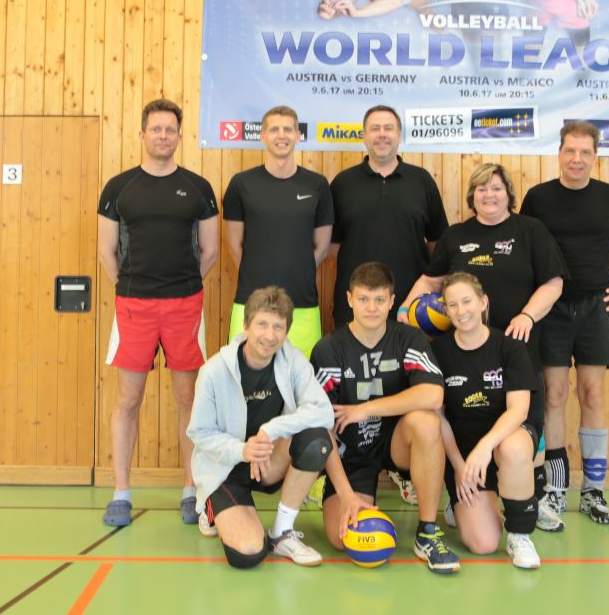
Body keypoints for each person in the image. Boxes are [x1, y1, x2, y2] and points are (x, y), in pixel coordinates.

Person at [399, 163, 567, 531]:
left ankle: (532, 500)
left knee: (526, 432)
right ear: (472, 196)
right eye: (481, 189)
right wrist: (404, 310)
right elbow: (431, 280)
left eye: (495, 188)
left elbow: (553, 283)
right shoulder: (456, 236)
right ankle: (461, 497)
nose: (488, 194)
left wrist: (527, 315)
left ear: (508, 194)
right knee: (466, 424)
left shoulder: (530, 230)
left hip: (517, 348)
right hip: (465, 353)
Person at [520, 121, 609, 525]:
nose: (576, 159)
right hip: (553, 308)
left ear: (595, 157)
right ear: (559, 153)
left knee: (592, 396)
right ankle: (556, 489)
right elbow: (523, 247)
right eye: (570, 151)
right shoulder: (538, 197)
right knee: (555, 396)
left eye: (585, 153)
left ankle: (594, 492)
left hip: (597, 308)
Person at [97, 98, 220, 528]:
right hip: (134, 306)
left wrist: (180, 286)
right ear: (142, 134)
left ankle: (191, 489)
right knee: (128, 400)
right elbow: (106, 253)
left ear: (179, 137)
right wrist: (134, 286)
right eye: (156, 129)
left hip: (185, 306)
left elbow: (210, 252)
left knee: (188, 399)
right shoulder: (119, 188)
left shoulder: (198, 188)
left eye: (170, 130)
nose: (163, 136)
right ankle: (121, 492)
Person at [311, 262, 461, 574]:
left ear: (392, 301)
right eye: (364, 299)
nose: (371, 307)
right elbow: (322, 428)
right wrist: (347, 495)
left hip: (397, 443)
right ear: (349, 299)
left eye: (379, 299)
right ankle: (345, 492)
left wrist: (366, 408)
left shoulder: (408, 339)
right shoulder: (329, 349)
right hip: (353, 454)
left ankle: (427, 532)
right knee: (342, 539)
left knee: (427, 421)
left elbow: (433, 395)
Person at [188, 287, 334, 569]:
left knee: (317, 438)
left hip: (268, 461)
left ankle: (282, 532)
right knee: (248, 554)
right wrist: (243, 450)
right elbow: (199, 433)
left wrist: (271, 429)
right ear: (246, 326)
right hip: (227, 468)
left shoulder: (293, 361)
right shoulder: (214, 371)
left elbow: (323, 411)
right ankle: (212, 508)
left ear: (286, 331)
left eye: (278, 327)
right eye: (262, 324)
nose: (270, 335)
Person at [434, 273, 542, 568]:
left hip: (504, 439)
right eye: (452, 305)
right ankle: (467, 503)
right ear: (446, 310)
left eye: (467, 301)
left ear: (483, 302)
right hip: (465, 456)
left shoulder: (510, 347)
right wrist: (459, 467)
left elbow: (518, 410)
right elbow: (438, 417)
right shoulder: (438, 351)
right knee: (483, 544)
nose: (461, 310)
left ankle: (520, 534)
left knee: (513, 448)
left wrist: (486, 447)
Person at [223, 105, 333, 357]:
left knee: (302, 378)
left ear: (298, 136)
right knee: (244, 376)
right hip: (251, 303)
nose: (281, 135)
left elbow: (322, 247)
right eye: (274, 130)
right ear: (262, 136)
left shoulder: (317, 185)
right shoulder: (241, 184)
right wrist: (258, 276)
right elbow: (234, 246)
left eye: (287, 129)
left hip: (302, 305)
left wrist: (296, 270)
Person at [329, 105, 448, 328]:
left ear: (399, 135)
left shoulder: (422, 181)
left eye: (388, 128)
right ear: (364, 136)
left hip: (410, 307)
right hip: (356, 307)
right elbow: (333, 245)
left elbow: (437, 243)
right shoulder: (343, 183)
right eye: (375, 129)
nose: (382, 134)